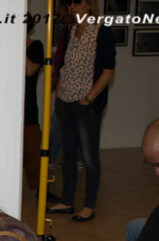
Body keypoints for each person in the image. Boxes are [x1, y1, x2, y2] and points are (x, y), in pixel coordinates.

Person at [47, 0, 115, 222]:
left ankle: (89, 206)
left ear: (89, 5)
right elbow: (64, 66)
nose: (73, 8)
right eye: (70, 4)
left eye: (77, 3)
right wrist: (59, 93)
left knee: (89, 156)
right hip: (65, 101)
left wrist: (89, 98)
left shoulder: (102, 32)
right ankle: (67, 201)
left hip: (87, 104)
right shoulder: (70, 31)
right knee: (67, 154)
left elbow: (107, 71)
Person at [23, 13, 44, 194]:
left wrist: (19, 44)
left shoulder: (36, 46)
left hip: (28, 106)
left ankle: (40, 188)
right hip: (7, 106)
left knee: (32, 151)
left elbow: (30, 70)